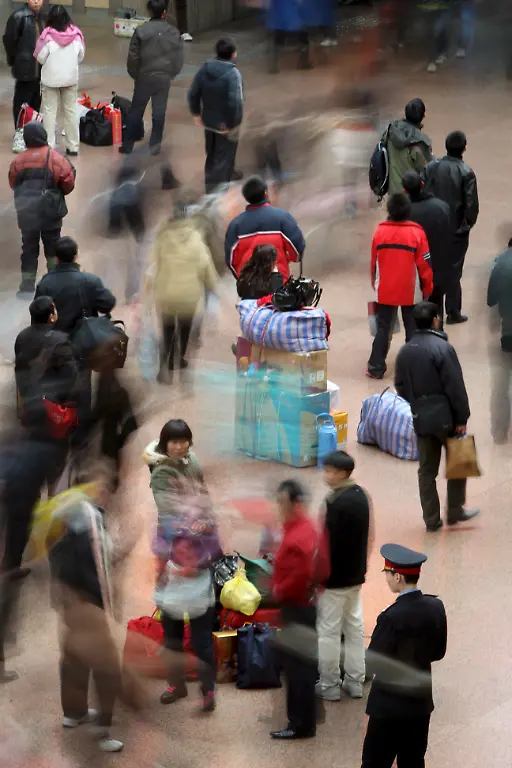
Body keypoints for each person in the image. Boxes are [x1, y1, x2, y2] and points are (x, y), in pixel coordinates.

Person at [46, 479, 125, 752]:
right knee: (108, 671)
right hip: (89, 612)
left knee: (72, 662)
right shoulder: (90, 532)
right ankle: (103, 730)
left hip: (70, 612)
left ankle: (74, 712)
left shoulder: (59, 538)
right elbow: (100, 571)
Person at [394, 300, 480, 531]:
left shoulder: (405, 351)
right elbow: (455, 386)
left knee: (426, 470)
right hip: (446, 416)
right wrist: (462, 417)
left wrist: (417, 404)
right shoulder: (443, 348)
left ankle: (432, 520)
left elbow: (400, 385)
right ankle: (455, 510)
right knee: (459, 460)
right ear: (435, 320)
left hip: (421, 417)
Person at [361, 544, 447, 767]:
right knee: (413, 761)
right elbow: (439, 652)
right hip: (420, 704)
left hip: (388, 709)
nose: (386, 579)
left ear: (398, 577)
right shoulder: (436, 607)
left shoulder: (390, 618)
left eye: (387, 574)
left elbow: (372, 664)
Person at [270, 479, 329, 741]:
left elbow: (301, 573)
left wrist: (279, 590)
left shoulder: (299, 534)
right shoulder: (306, 527)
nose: (278, 507)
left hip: (297, 607)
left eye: (282, 502)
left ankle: (300, 724)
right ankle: (305, 718)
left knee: (298, 669)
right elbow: (322, 566)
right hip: (307, 604)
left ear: (296, 503)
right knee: (301, 664)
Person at [316, 450, 372, 702]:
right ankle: (355, 681)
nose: (325, 475)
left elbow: (322, 543)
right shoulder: (362, 496)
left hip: (334, 579)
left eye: (329, 471)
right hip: (355, 575)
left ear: (341, 473)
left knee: (328, 631)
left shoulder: (332, 502)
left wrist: (316, 575)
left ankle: (328, 684)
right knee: (354, 627)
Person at [155, 512, 221, 712]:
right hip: (173, 579)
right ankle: (176, 685)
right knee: (171, 641)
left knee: (202, 644)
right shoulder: (167, 515)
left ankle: (208, 691)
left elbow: (216, 550)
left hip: (198, 584)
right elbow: (159, 545)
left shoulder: (205, 517)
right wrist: (160, 576)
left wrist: (196, 564)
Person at [148, 201, 218, 383]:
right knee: (184, 329)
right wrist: (213, 285)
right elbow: (206, 265)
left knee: (167, 330)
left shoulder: (162, 237)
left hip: (167, 293)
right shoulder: (196, 238)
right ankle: (179, 359)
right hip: (189, 295)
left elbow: (155, 263)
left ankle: (165, 367)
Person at [367, 193, 433, 380]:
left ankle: (376, 366)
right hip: (410, 291)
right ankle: (412, 371)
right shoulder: (417, 233)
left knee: (383, 328)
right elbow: (425, 266)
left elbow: (373, 263)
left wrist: (375, 285)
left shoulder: (379, 232)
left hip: (385, 290)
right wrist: (427, 288)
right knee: (412, 330)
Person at [9, 122, 75, 297]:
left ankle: (27, 287)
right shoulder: (55, 158)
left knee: (29, 250)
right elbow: (68, 182)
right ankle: (54, 286)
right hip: (50, 214)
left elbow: (13, 183)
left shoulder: (18, 161)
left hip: (27, 214)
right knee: (53, 250)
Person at [423, 130, 479, 324]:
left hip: (433, 228)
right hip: (456, 230)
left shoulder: (431, 168)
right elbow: (471, 205)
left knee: (433, 268)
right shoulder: (466, 172)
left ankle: (433, 310)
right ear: (464, 148)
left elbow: (423, 191)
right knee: (454, 271)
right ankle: (453, 311)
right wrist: (465, 226)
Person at [120, 0, 183, 155]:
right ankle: (155, 147)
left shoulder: (141, 31)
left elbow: (133, 58)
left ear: (149, 12)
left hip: (144, 77)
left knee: (136, 111)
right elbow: (178, 59)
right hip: (164, 78)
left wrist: (136, 75)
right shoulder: (174, 33)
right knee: (159, 111)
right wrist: (171, 74)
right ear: (164, 13)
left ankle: (127, 146)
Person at [15, 296, 77, 453]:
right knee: (56, 448)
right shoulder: (60, 340)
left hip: (29, 400)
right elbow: (70, 374)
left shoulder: (22, 337)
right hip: (51, 405)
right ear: (51, 316)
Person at [188, 37, 244, 193]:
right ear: (233, 54)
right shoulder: (233, 74)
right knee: (223, 156)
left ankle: (218, 180)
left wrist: (196, 113)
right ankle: (216, 194)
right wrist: (233, 124)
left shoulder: (205, 69)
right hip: (226, 124)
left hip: (209, 121)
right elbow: (235, 102)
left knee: (211, 154)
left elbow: (193, 92)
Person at [225, 176, 305, 278]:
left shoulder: (235, 225)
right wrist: (288, 259)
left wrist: (243, 278)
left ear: (246, 198)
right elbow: (297, 250)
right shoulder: (282, 217)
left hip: (250, 288)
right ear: (265, 194)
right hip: (278, 283)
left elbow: (231, 261)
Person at [402, 170, 454, 327]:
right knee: (436, 309)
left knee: (414, 314)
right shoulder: (442, 208)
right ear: (422, 185)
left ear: (404, 190)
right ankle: (438, 337)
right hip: (438, 268)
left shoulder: (402, 213)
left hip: (413, 273)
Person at [35, 236, 115, 336]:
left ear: (56, 258)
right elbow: (107, 305)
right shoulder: (91, 280)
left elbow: (37, 316)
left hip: (56, 343)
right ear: (75, 256)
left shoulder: (45, 283)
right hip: (86, 340)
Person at [35, 5, 85, 157]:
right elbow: (81, 57)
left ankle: (49, 146)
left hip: (50, 81)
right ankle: (73, 147)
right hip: (70, 80)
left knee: (49, 112)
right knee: (70, 112)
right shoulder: (76, 36)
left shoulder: (46, 37)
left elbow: (40, 57)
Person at [2, 0, 46, 150]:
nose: (36, 1)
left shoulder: (42, 17)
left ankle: (33, 133)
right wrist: (15, 59)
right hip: (25, 67)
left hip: (40, 68)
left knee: (36, 101)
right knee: (22, 102)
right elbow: (9, 41)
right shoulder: (18, 17)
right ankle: (20, 133)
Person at [487, 238, 512, 444]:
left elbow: (490, 300)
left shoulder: (501, 264)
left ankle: (500, 432)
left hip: (509, 335)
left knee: (502, 385)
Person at [385, 99, 432, 196]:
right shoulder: (422, 142)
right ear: (424, 116)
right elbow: (428, 170)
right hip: (411, 193)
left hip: (392, 192)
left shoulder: (390, 132)